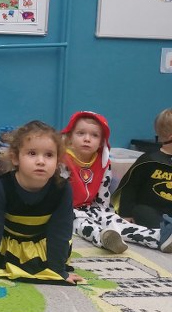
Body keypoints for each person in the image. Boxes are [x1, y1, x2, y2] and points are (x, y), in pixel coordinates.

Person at [0, 120, 84, 285]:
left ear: (58, 161)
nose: (41, 161)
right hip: (2, 233)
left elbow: (61, 231)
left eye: (49, 155)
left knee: (47, 261)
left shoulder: (62, 189)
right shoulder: (1, 187)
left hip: (37, 236)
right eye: (32, 153)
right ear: (15, 158)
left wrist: (58, 271)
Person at [61, 111, 166, 252]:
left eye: (94, 135)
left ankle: (158, 237)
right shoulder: (62, 160)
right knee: (83, 224)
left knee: (116, 221)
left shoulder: (103, 162)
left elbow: (103, 196)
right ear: (69, 137)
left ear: (101, 141)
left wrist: (106, 215)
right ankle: (104, 238)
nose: (87, 139)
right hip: (66, 210)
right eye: (81, 133)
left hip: (92, 208)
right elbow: (57, 194)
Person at [113, 108, 172, 252]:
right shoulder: (148, 160)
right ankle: (163, 235)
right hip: (150, 209)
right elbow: (129, 188)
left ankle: (167, 233)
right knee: (141, 211)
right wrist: (125, 214)